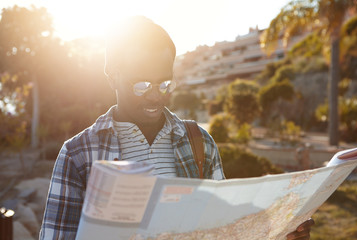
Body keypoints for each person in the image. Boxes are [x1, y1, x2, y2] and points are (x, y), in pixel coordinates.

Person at [39, 16, 314, 239]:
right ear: (112, 76)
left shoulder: (200, 143)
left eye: (165, 84)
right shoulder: (77, 154)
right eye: (142, 84)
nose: (155, 95)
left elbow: (225, 231)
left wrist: (281, 232)